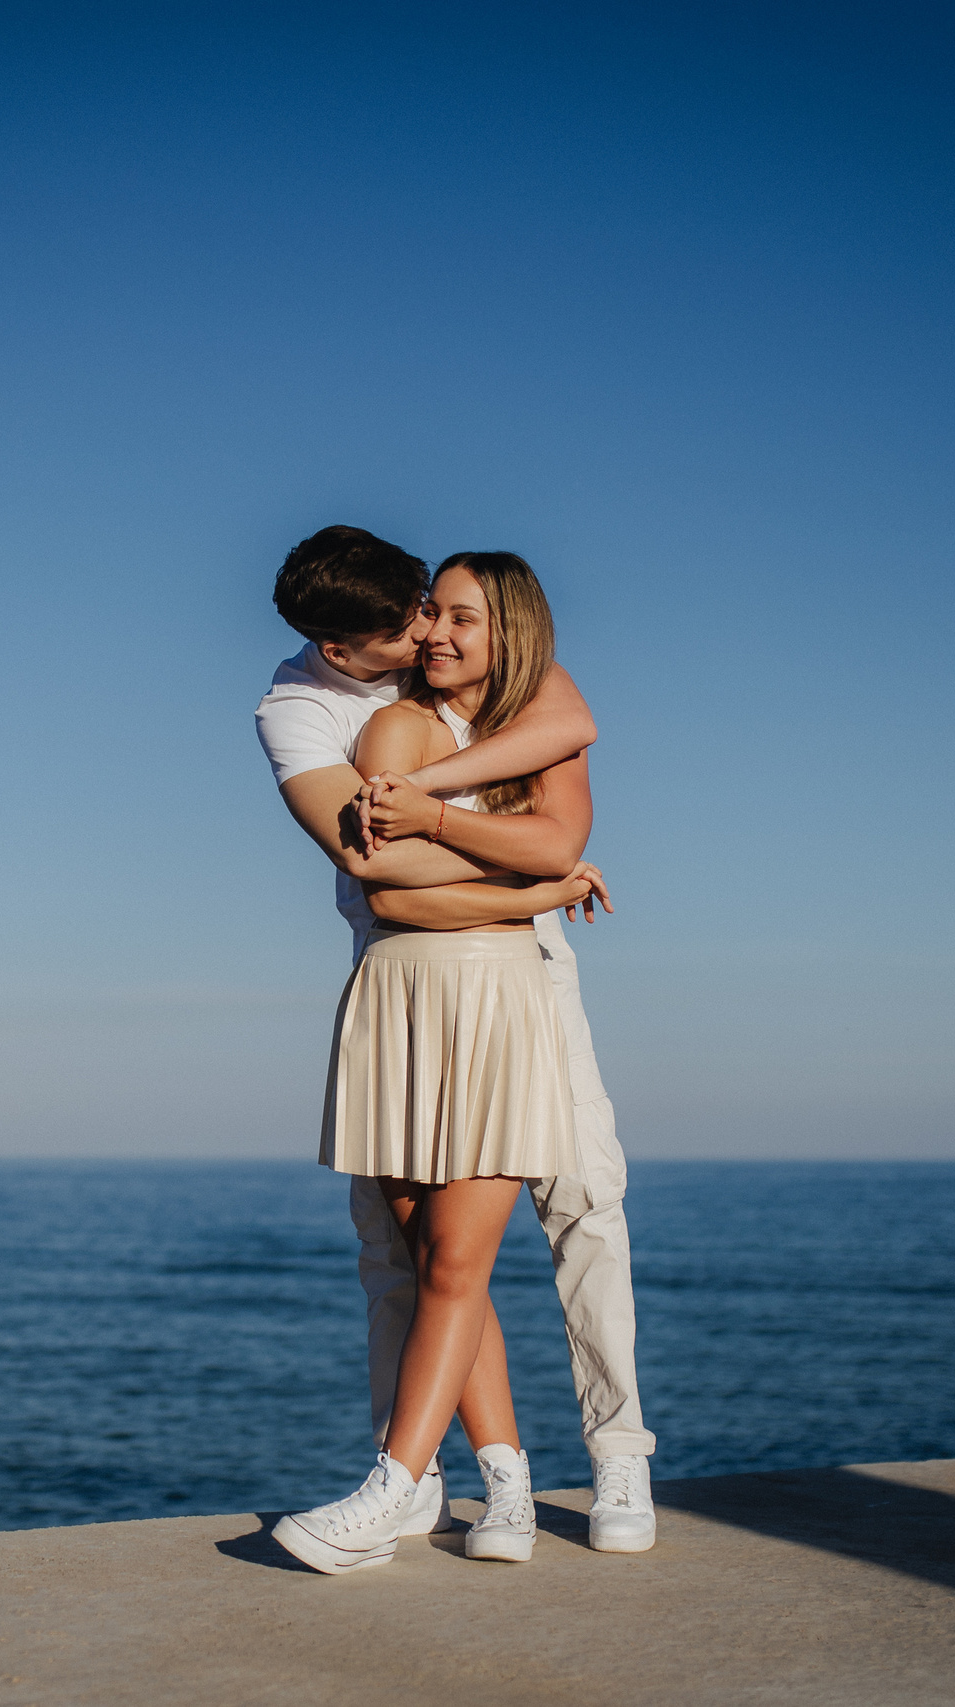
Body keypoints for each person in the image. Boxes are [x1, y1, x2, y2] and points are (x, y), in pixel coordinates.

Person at [251, 528, 659, 1571]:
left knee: (583, 1206)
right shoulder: (311, 711)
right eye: (414, 623)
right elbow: (376, 871)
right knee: (418, 1257)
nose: (429, 632)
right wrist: (528, 887)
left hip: (514, 983)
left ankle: (614, 1457)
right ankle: (486, 1479)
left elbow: (562, 793)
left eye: (442, 611)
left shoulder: (518, 694)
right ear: (343, 649)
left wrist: (438, 809)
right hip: (399, 987)